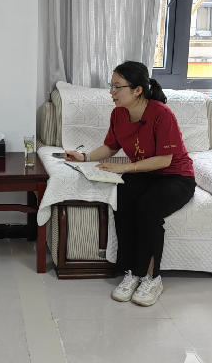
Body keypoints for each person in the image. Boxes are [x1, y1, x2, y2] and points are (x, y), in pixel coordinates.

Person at [65, 61, 195, 307]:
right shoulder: (118, 114)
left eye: (117, 87)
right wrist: (84, 157)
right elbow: (111, 147)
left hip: (176, 176)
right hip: (145, 172)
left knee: (148, 209)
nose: (111, 92)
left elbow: (164, 160)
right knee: (123, 199)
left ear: (137, 90)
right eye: (111, 86)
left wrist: (124, 168)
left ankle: (152, 278)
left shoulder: (161, 114)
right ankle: (131, 273)